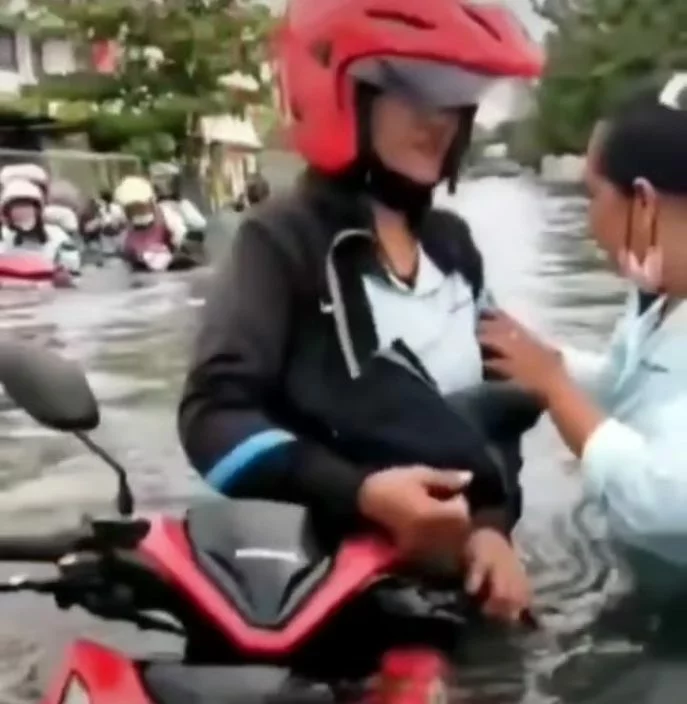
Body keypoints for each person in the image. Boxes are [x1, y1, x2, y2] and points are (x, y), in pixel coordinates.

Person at [178, 0, 543, 622]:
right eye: (416, 91)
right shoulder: (281, 240)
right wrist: (365, 495)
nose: (442, 122)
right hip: (319, 593)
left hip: (459, 589)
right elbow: (213, 418)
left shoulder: (454, 247)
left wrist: (491, 527)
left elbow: (494, 410)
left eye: (456, 97)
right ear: (341, 92)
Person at [478, 73, 687, 569]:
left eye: (593, 196)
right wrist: (536, 358)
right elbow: (623, 386)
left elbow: (663, 500)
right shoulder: (662, 304)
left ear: (643, 201)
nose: (590, 223)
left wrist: (554, 386)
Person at [0, 177, 81, 281]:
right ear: (7, 213)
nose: (22, 212)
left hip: (49, 292)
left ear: (38, 210)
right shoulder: (3, 237)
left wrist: (64, 276)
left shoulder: (58, 237)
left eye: (27, 206)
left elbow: (73, 277)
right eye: (17, 207)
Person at [114, 174, 189, 269]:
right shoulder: (123, 222)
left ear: (149, 201)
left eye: (139, 205)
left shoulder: (166, 215)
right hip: (139, 269)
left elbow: (180, 236)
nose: (136, 210)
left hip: (169, 267)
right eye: (131, 207)